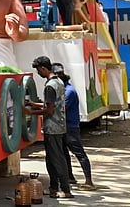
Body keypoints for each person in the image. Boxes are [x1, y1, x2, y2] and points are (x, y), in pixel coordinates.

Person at [25, 56, 74, 199]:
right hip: (59, 125)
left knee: (57, 159)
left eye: (39, 71)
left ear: (43, 68)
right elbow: (53, 104)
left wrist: (31, 112)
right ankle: (53, 188)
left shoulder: (49, 86)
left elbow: (49, 110)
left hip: (52, 127)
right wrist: (36, 104)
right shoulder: (58, 82)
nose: (39, 74)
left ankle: (65, 189)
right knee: (52, 159)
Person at [53, 62, 96, 191]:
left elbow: (61, 109)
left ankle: (89, 180)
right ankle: (70, 176)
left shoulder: (69, 91)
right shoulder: (62, 89)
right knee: (64, 153)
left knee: (79, 153)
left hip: (70, 127)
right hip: (63, 126)